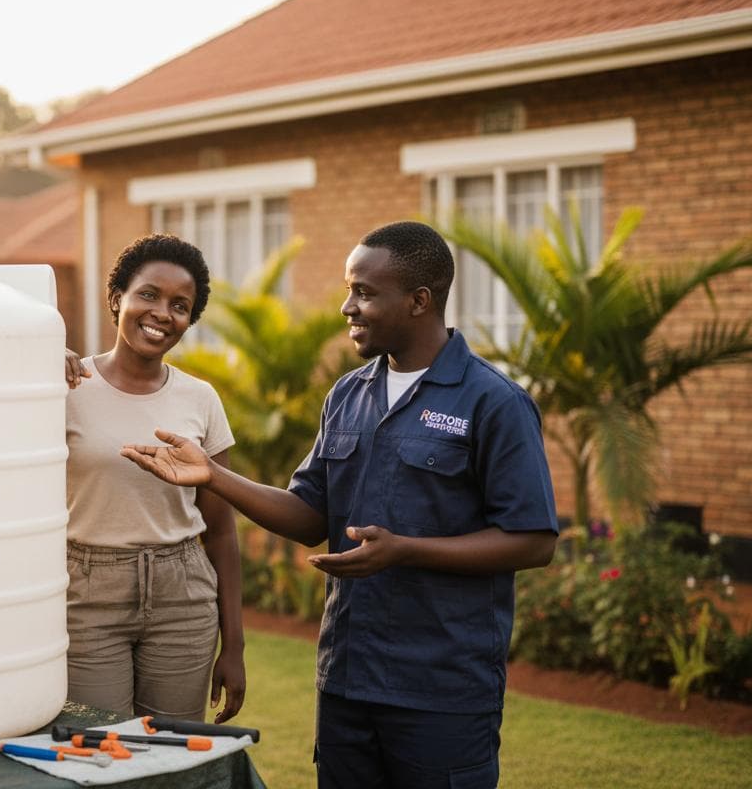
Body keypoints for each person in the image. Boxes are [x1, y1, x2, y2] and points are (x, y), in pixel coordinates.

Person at [121, 221, 558, 787]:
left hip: (441, 691)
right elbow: (309, 516)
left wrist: (402, 551)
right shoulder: (349, 395)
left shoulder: (493, 403)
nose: (347, 307)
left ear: (419, 301)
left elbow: (534, 540)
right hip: (346, 682)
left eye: (365, 293)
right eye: (349, 290)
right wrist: (214, 477)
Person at [61, 233, 245, 724]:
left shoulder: (200, 398)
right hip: (87, 594)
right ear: (117, 297)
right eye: (149, 294)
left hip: (182, 596)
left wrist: (235, 648)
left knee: (171, 754)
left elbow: (222, 531)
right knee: (96, 749)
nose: (163, 313)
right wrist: (29, 363)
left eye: (180, 305)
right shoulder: (67, 386)